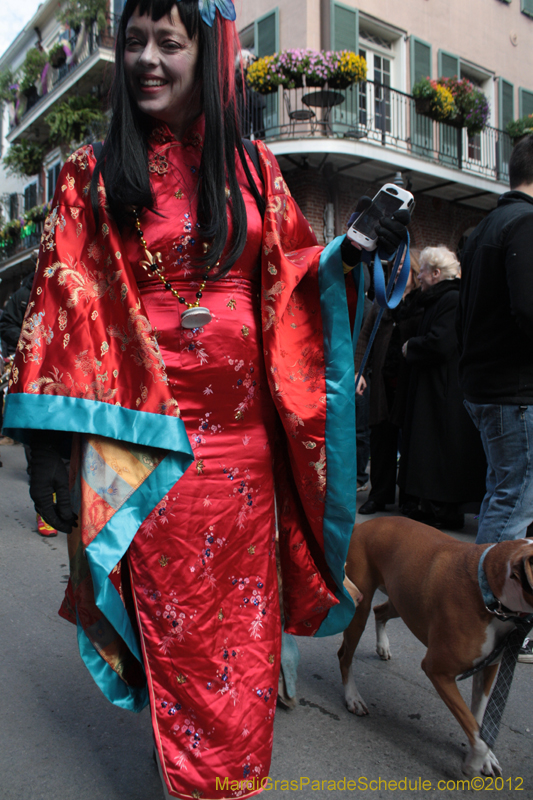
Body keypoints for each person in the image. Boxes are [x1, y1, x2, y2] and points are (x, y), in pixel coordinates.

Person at [3, 2, 409, 798]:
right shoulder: (91, 173)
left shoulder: (254, 166)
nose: (147, 59)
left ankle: (236, 779)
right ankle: (199, 784)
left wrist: (350, 249)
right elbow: (64, 302)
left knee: (246, 635)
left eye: (168, 41)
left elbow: (290, 279)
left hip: (248, 457)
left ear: (209, 49)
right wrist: (51, 447)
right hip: (146, 451)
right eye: (133, 42)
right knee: (180, 634)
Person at [457, 134, 533, 663]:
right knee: (514, 500)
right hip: (513, 388)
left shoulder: (487, 224)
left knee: (502, 495)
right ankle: (491, 616)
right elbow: (528, 311)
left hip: (488, 386)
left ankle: (476, 604)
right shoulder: (523, 223)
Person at [398, 245, 486, 530]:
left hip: (444, 392)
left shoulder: (450, 299)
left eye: (422, 271)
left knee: (441, 451)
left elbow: (442, 343)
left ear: (436, 273)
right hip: (436, 389)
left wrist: (413, 346)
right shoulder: (440, 299)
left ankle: (443, 509)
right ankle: (434, 505)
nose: (419, 276)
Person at [356, 252, 422, 515]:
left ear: (414, 274)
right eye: (394, 270)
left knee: (410, 444)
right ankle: (379, 494)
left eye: (403, 270)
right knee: (381, 441)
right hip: (383, 386)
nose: (397, 274)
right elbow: (364, 338)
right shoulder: (381, 303)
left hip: (410, 384)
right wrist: (359, 371)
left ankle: (409, 498)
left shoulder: (421, 303)